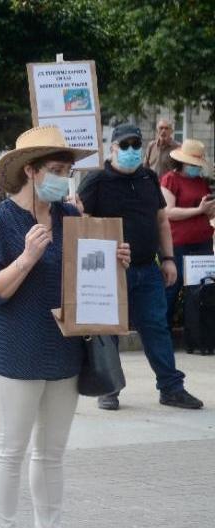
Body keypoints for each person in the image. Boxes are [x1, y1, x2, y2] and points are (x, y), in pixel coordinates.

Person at [0, 126, 131, 528]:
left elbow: (88, 279)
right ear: (31, 171)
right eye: (58, 171)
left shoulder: (70, 217)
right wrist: (24, 258)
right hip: (15, 350)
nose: (66, 179)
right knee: (10, 448)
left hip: (63, 347)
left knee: (52, 451)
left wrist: (111, 260)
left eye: (68, 171)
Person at [77, 124, 203, 411]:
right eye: (125, 146)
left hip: (147, 269)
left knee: (157, 328)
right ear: (112, 148)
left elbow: (161, 221)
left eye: (136, 145)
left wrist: (168, 259)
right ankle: (108, 387)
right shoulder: (96, 179)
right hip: (108, 271)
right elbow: (80, 223)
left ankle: (171, 388)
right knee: (107, 330)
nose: (132, 151)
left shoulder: (148, 177)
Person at [160, 139, 215, 327]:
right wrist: (198, 211)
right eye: (192, 165)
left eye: (197, 165)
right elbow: (169, 212)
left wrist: (209, 209)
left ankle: (198, 333)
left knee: (201, 288)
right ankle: (164, 329)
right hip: (179, 243)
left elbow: (205, 210)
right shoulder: (170, 179)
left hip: (202, 242)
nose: (195, 169)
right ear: (182, 162)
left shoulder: (201, 182)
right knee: (172, 286)